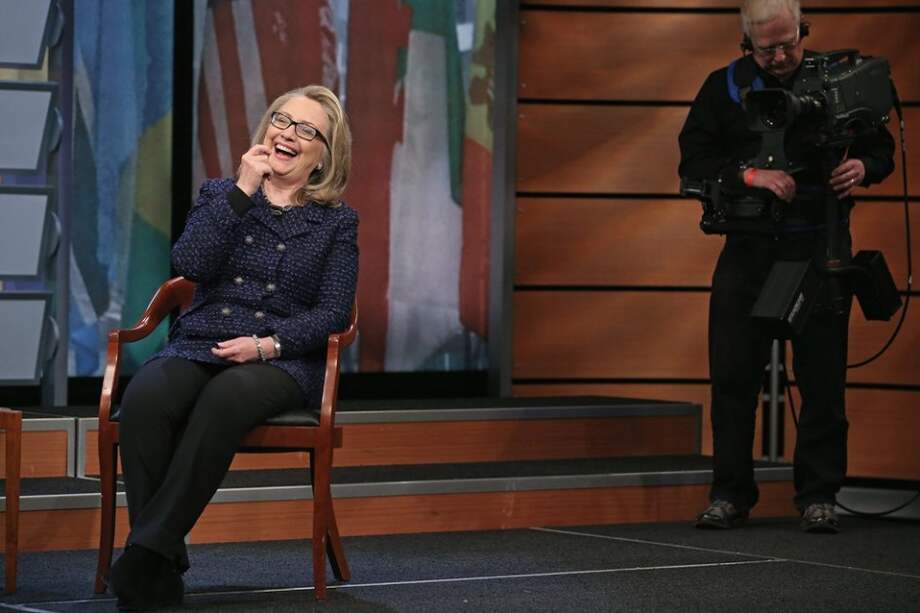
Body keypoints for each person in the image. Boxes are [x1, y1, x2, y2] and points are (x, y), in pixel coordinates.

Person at [106, 84, 357, 609]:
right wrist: (242, 189)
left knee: (226, 399)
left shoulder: (337, 222)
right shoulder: (222, 195)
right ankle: (159, 559)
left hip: (278, 358)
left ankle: (144, 554)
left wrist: (266, 345)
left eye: (307, 130)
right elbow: (191, 265)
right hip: (201, 342)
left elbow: (332, 313)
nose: (288, 133)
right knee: (148, 396)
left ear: (323, 158)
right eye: (282, 121)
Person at [678, 0, 894, 534]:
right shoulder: (721, 87)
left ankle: (819, 496)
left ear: (804, 30)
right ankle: (730, 495)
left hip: (819, 249)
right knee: (733, 381)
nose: (780, 56)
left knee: (822, 383)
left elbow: (882, 147)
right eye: (767, 47)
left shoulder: (842, 80)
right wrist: (749, 177)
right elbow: (693, 163)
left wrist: (863, 167)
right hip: (747, 252)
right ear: (745, 43)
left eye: (789, 42)